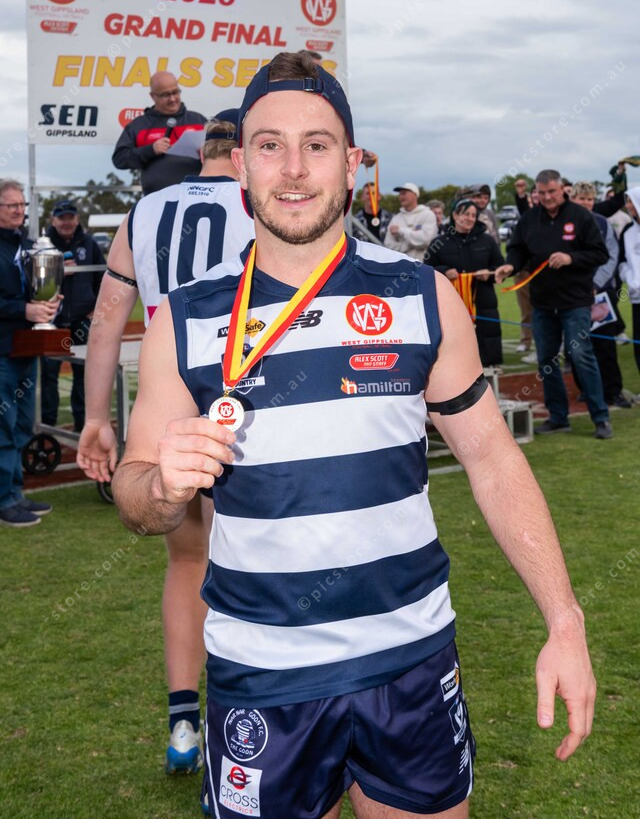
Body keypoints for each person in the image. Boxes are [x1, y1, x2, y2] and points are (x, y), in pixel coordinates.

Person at [112, 53, 595, 819]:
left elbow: (492, 457)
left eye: (317, 144)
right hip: (261, 676)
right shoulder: (185, 318)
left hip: (410, 664)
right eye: (270, 145)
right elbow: (134, 490)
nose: (293, 168)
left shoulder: (421, 296)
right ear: (242, 163)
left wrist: (564, 617)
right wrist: (162, 487)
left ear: (351, 160)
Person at [78, 114, 254, 777]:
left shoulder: (145, 210)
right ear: (244, 153)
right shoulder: (259, 198)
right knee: (259, 560)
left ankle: (185, 720)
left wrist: (96, 416)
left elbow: (104, 322)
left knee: (186, 561)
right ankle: (249, 721)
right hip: (244, 393)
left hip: (167, 393)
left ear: (197, 153)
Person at [496, 169, 612, 438]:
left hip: (575, 301)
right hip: (543, 303)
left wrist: (571, 259)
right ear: (536, 193)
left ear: (562, 190)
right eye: (542, 192)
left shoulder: (581, 216)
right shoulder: (529, 219)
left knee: (581, 356)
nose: (547, 197)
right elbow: (517, 249)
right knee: (546, 360)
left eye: (551, 192)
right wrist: (510, 266)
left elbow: (600, 253)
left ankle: (601, 417)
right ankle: (558, 417)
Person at [0, 181, 59, 527]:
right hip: (3, 350)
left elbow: (35, 288)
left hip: (26, 348)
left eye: (22, 205)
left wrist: (48, 299)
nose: (19, 211)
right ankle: (4, 500)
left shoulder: (25, 245)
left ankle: (15, 492)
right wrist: (24, 309)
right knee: (3, 428)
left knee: (22, 425)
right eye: (11, 206)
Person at [40, 199, 104, 432]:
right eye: (61, 218)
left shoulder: (90, 244)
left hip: (81, 320)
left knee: (83, 374)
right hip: (52, 321)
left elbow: (104, 277)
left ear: (77, 219)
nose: (66, 222)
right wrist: (59, 271)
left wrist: (96, 308)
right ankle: (47, 425)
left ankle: (82, 424)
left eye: (70, 217)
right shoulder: (44, 245)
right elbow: (32, 281)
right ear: (53, 220)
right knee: (49, 375)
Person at [570, 182, 629, 409]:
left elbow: (612, 256)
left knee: (605, 344)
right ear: (572, 199)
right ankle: (586, 389)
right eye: (581, 198)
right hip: (573, 294)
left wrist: (595, 283)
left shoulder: (603, 223)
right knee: (577, 345)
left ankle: (612, 391)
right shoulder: (566, 223)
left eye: (589, 199)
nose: (586, 203)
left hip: (601, 293)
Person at [424, 197, 503, 366]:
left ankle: (489, 375)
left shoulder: (487, 240)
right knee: (455, 348)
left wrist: (488, 274)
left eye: (474, 215)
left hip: (483, 302)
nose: (470, 219)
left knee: (486, 345)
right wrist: (444, 271)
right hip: (452, 303)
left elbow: (500, 267)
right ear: (455, 215)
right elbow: (426, 269)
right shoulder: (439, 242)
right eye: (466, 214)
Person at [112, 71, 207, 195]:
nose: (172, 99)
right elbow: (119, 159)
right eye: (165, 95)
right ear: (153, 96)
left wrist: (207, 152)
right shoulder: (139, 125)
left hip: (196, 196)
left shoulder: (198, 121)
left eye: (175, 92)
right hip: (156, 199)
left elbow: (220, 154)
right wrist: (150, 150)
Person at [384, 182, 437, 258]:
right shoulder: (396, 218)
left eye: (404, 193)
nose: (401, 196)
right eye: (400, 194)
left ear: (415, 195)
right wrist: (408, 245)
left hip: (424, 262)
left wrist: (401, 230)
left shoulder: (428, 214)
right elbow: (388, 245)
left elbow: (426, 240)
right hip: (403, 264)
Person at [619, 187, 640, 375]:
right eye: (627, 201)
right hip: (636, 298)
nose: (628, 206)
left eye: (631, 201)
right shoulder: (627, 231)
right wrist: (630, 279)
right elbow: (622, 262)